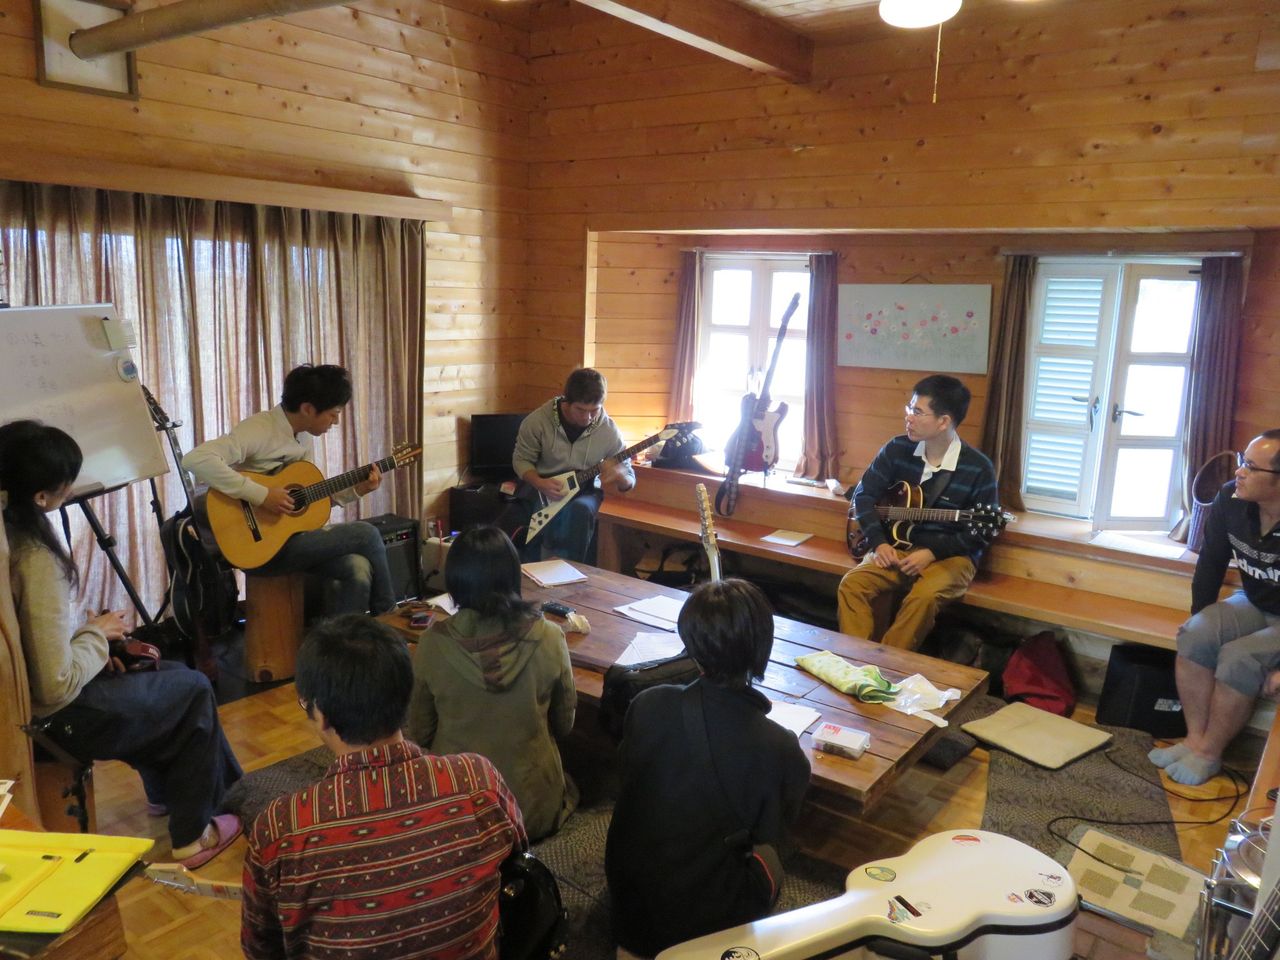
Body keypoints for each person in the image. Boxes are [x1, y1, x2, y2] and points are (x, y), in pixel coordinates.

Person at [1, 419, 242, 867]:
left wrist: (94, 645)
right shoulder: (35, 559)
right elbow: (53, 686)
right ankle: (194, 835)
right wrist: (98, 635)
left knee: (162, 674)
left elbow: (36, 648)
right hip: (54, 719)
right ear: (41, 496)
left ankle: (172, 794)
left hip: (35, 707)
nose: (72, 487)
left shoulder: (11, 536)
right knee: (192, 689)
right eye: (66, 481)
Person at [242, 614, 527, 960]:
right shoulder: (478, 781)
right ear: (405, 695)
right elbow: (516, 858)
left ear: (322, 715)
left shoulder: (280, 829)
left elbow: (261, 948)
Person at [605, 579, 810, 958]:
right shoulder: (779, 745)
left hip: (627, 903)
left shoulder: (648, 703)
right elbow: (771, 830)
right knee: (772, 857)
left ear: (691, 643)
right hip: (701, 925)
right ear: (762, 648)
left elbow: (631, 779)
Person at [182, 363, 395, 616]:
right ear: (307, 409)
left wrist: (358, 490)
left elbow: (306, 502)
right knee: (367, 534)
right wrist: (262, 495)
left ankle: (338, 638)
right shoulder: (259, 429)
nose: (336, 422)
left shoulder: (303, 436)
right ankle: (389, 615)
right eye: (333, 414)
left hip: (290, 540)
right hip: (255, 548)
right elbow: (195, 460)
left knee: (356, 567)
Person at [406, 526, 577, 840]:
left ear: (454, 580)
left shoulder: (432, 644)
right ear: (512, 575)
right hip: (531, 812)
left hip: (456, 811)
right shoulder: (551, 637)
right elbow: (564, 725)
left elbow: (418, 733)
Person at [1150, 430, 1280, 786]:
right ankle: (1194, 740)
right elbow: (1211, 562)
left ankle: (1209, 753)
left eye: (1251, 467)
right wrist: (1201, 615)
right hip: (1254, 600)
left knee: (1240, 656)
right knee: (1195, 634)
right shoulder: (1230, 498)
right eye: (1242, 461)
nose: (1239, 472)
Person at [836, 375, 999, 651]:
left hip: (952, 556)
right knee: (852, 584)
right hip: (897, 546)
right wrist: (879, 542)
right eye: (909, 408)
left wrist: (933, 552)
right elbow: (863, 496)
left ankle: (886, 664)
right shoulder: (897, 449)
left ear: (943, 421)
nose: (908, 417)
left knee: (923, 598)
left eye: (918, 412)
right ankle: (856, 661)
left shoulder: (978, 468)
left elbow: (981, 533)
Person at [500, 367, 635, 563]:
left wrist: (621, 476)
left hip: (585, 490)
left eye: (594, 410)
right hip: (541, 486)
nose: (588, 418)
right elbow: (521, 460)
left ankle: (569, 569)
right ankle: (531, 570)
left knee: (579, 511)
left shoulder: (609, 431)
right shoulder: (537, 421)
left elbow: (628, 479)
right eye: (580, 410)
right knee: (518, 523)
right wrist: (539, 482)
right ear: (566, 401)